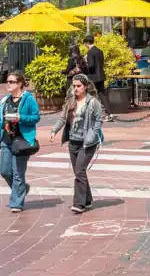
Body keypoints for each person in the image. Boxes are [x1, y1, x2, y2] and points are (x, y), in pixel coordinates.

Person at [0, 70, 40, 213]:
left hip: (22, 140)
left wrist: (20, 118)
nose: (8, 84)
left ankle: (16, 203)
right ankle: (23, 188)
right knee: (4, 171)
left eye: (12, 82)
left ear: (20, 83)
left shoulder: (28, 99)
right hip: (7, 140)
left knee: (17, 173)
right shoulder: (4, 101)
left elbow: (36, 117)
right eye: (7, 81)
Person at [48, 74, 104, 214]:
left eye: (78, 86)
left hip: (87, 143)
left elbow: (99, 120)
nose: (76, 88)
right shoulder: (70, 101)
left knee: (79, 171)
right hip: (73, 141)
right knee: (79, 172)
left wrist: (92, 135)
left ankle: (79, 204)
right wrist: (54, 130)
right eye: (74, 86)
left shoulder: (92, 102)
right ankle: (88, 199)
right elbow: (63, 118)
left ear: (85, 86)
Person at [83, 35, 111, 121]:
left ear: (87, 43)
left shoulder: (90, 52)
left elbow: (91, 66)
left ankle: (93, 114)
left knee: (91, 95)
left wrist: (85, 61)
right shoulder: (99, 51)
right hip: (100, 75)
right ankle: (109, 114)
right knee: (102, 95)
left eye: (84, 43)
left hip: (93, 76)